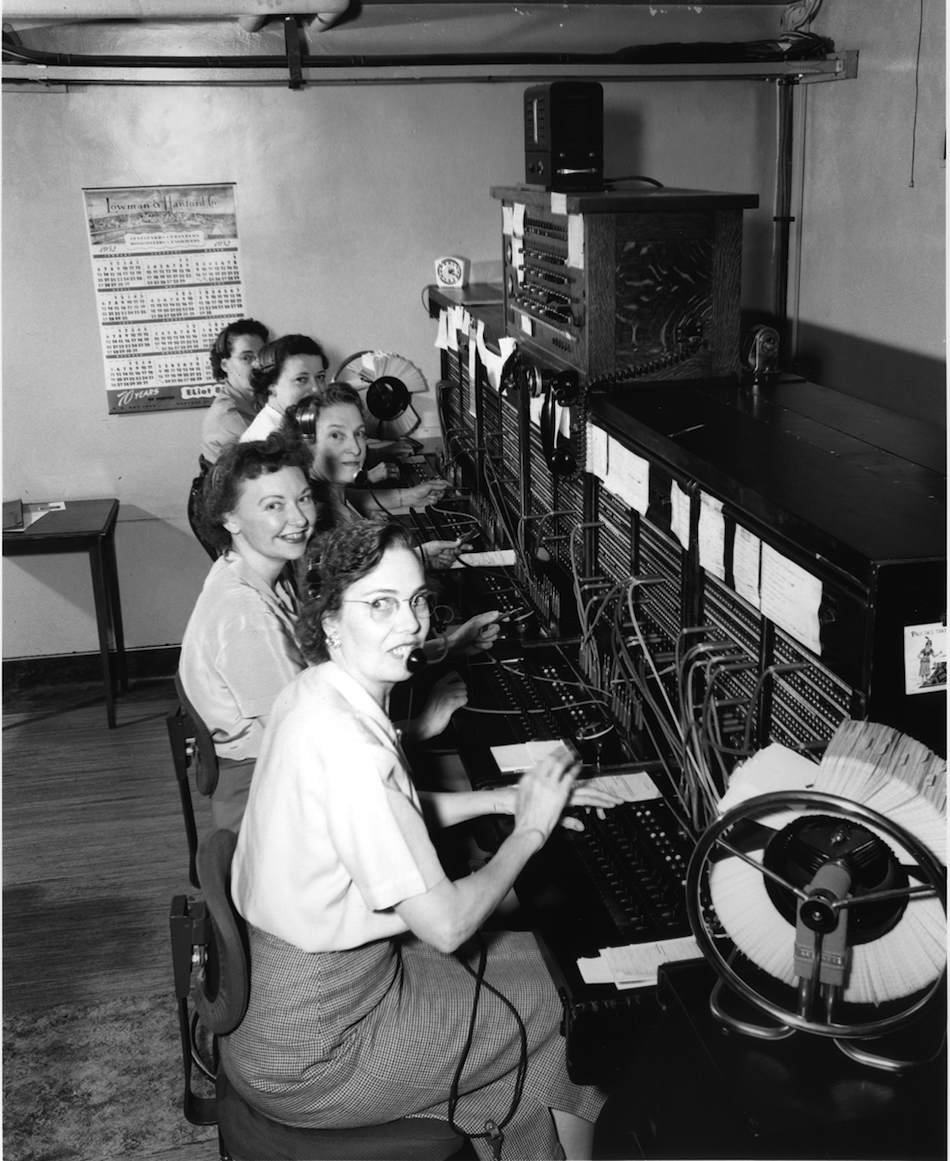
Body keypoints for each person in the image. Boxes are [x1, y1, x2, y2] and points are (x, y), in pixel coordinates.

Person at [225, 520, 620, 1160]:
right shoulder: (353, 750)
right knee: (566, 1006)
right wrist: (532, 828)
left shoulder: (315, 693)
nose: (409, 625)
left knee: (545, 970)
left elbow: (387, 820)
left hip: (312, 996)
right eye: (379, 605)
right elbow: (446, 925)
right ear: (328, 620)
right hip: (318, 1047)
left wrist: (503, 798)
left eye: (416, 601)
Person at [180, 434, 476, 832]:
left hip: (286, 769)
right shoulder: (245, 616)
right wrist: (423, 725)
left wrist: (444, 648)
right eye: (273, 506)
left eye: (303, 498)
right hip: (268, 801)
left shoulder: (261, 575)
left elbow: (326, 669)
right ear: (229, 518)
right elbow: (316, 745)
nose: (300, 519)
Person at [188, 318, 270, 559]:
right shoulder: (228, 415)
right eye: (246, 357)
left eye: (260, 357)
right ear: (225, 364)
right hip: (220, 511)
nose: (256, 366)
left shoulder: (258, 400)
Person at [240, 333, 328, 444]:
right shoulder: (266, 443)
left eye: (320, 377)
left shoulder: (305, 423)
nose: (316, 389)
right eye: (301, 379)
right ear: (271, 387)